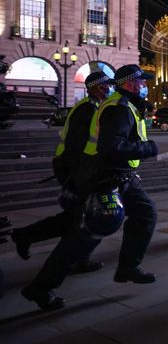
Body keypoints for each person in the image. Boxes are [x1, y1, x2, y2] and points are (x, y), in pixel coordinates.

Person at [21, 65, 160, 310]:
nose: (145, 85)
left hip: (121, 176)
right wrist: (148, 148)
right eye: (141, 81)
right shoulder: (118, 109)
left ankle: (128, 267)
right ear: (129, 84)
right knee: (86, 235)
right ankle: (40, 288)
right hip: (104, 179)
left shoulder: (125, 106)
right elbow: (111, 147)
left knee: (145, 214)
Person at [11, 71, 113, 272]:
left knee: (80, 217)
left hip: (76, 167)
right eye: (105, 85)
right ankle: (31, 239)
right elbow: (78, 145)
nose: (109, 89)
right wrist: (79, 176)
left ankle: (30, 237)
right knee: (82, 218)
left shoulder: (91, 107)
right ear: (95, 87)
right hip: (75, 168)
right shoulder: (88, 110)